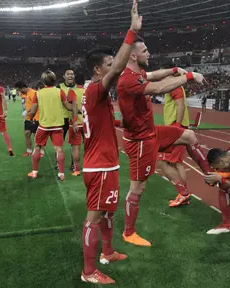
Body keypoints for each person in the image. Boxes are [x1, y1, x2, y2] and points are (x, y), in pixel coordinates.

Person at [117, 36, 210, 247]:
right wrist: (188, 75)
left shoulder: (136, 73)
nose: (149, 53)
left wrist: (172, 69)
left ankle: (209, 174)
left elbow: (153, 75)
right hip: (139, 141)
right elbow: (158, 89)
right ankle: (129, 232)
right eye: (145, 50)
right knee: (138, 188)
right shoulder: (128, 79)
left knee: (189, 136)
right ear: (133, 55)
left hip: (151, 132)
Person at [80, 1, 142, 284]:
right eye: (107, 65)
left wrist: (118, 123)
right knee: (94, 218)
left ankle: (107, 252)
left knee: (107, 215)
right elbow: (118, 66)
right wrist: (131, 31)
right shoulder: (96, 88)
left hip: (105, 163)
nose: (113, 68)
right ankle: (89, 271)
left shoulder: (93, 93)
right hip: (100, 166)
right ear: (97, 70)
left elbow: (96, 123)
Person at [27, 70, 77, 181]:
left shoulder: (38, 93)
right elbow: (68, 107)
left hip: (43, 126)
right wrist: (74, 104)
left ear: (43, 81)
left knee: (37, 147)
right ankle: (61, 174)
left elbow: (33, 111)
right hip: (58, 126)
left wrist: (30, 118)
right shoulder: (59, 92)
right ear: (54, 80)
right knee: (59, 149)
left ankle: (34, 172)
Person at [157, 76, 191, 207]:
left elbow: (180, 105)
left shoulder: (174, 86)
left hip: (175, 127)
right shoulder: (174, 86)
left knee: (163, 162)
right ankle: (184, 194)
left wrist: (177, 125)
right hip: (177, 126)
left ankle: (183, 194)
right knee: (176, 162)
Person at [14, 80, 43, 157]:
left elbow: (35, 104)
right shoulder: (26, 93)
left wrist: (26, 111)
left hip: (35, 117)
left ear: (23, 88)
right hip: (28, 118)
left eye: (19, 90)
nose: (19, 92)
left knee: (36, 135)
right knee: (27, 134)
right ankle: (29, 151)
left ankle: (40, 151)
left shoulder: (33, 93)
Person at [58, 69, 76, 171]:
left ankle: (73, 164)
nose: (70, 76)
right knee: (59, 142)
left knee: (74, 143)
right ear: (64, 76)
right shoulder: (59, 87)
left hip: (74, 119)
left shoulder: (78, 87)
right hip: (62, 119)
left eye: (72, 74)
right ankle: (58, 162)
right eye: (68, 74)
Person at [67, 73, 85, 176]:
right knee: (89, 147)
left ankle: (77, 169)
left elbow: (72, 106)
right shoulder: (88, 91)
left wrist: (74, 120)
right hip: (87, 123)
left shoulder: (72, 91)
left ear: (75, 81)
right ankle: (88, 167)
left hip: (76, 123)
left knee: (76, 147)